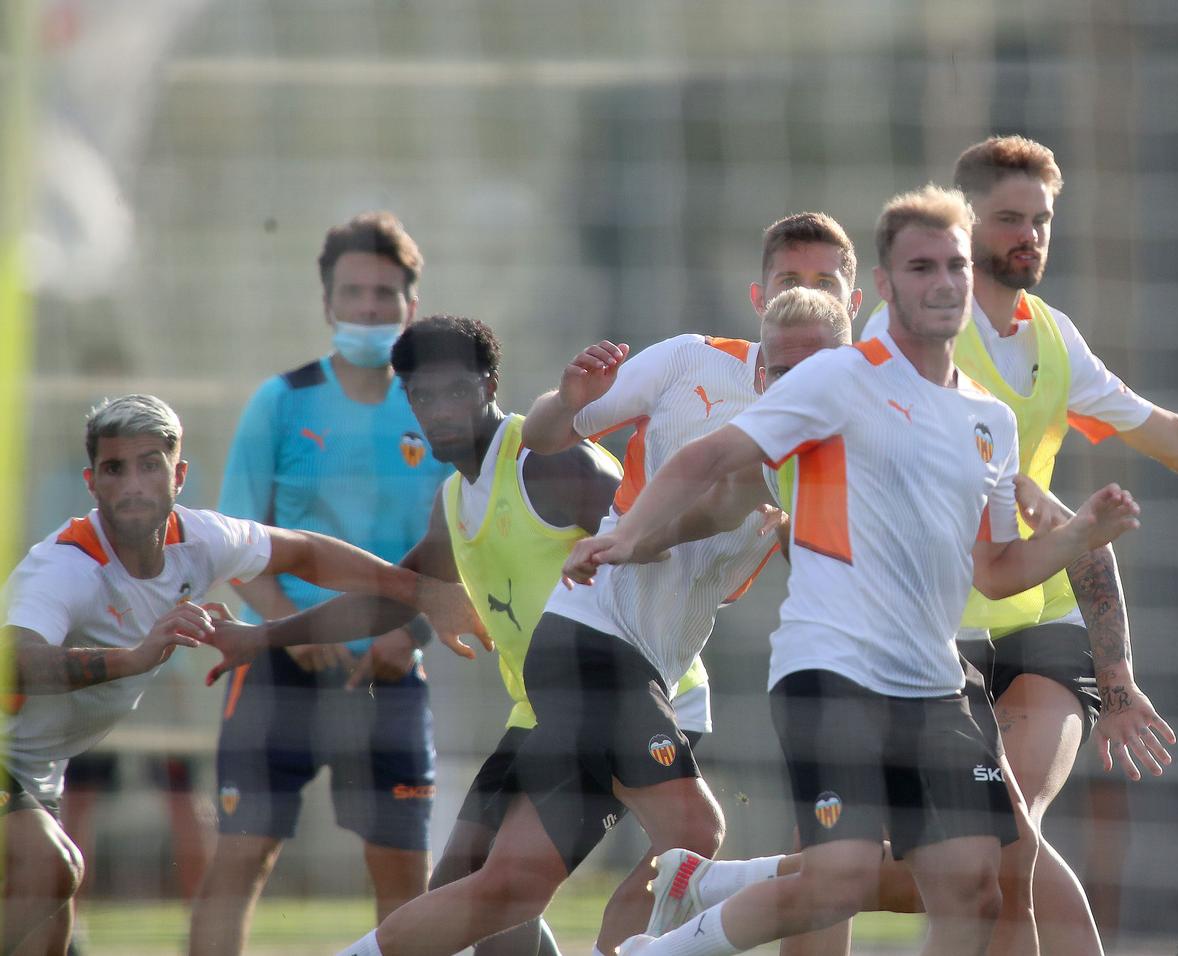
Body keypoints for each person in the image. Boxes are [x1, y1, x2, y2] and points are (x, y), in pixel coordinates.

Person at [604, 184, 1140, 956]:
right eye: (920, 266)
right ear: (884, 288)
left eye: (955, 264)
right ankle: (665, 947)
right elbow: (715, 457)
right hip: (836, 671)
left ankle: (718, 883)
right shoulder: (831, 379)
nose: (944, 281)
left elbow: (996, 571)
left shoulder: (986, 418)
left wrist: (1080, 534)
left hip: (937, 680)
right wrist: (632, 535)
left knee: (982, 883)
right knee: (845, 882)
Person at [332, 220, 859, 956]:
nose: (803, 295)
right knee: (697, 833)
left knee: (508, 886)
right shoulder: (693, 367)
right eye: (788, 281)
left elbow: (727, 576)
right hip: (595, 643)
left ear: (855, 312)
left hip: (627, 658)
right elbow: (552, 433)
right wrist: (583, 433)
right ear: (759, 309)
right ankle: (775, 892)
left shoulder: (842, 442)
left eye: (824, 282)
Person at [853, 135, 1178, 953]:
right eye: (1007, 219)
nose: (1028, 235)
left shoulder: (1054, 337)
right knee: (989, 856)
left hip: (1045, 611)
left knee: (1012, 827)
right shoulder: (899, 332)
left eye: (1041, 220)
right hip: (933, 629)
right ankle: (770, 886)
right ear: (960, 228)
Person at [199, 313, 710, 955]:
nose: (439, 410)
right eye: (422, 395)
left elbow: (652, 528)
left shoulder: (547, 461)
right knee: (460, 891)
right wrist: (259, 638)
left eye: (455, 391)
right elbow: (392, 598)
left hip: (633, 695)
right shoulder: (454, 500)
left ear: (489, 384)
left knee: (498, 893)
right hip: (545, 710)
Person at [2, 394, 482, 956]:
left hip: (37, 775)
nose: (133, 483)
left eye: (150, 464)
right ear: (92, 481)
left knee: (45, 934)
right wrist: (133, 657)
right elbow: (15, 659)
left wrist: (426, 594)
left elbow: (305, 553)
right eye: (115, 468)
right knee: (56, 868)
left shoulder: (201, 542)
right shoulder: (66, 565)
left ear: (178, 475)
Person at [190, 212, 456, 956]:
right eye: (353, 293)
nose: (369, 308)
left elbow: (464, 541)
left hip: (391, 667)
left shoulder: (436, 411)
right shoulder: (281, 401)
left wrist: (411, 631)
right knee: (244, 855)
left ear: (411, 305)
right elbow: (234, 533)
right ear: (327, 303)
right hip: (279, 663)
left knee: (403, 871)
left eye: (384, 293)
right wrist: (284, 628)